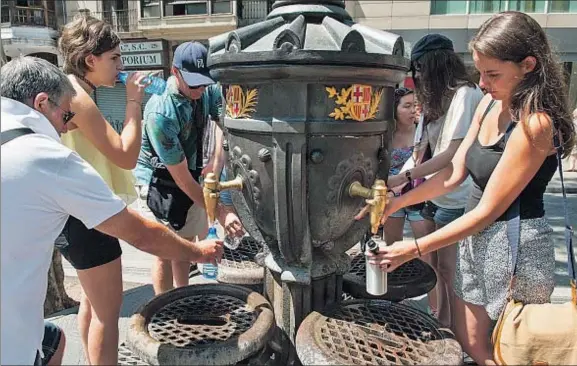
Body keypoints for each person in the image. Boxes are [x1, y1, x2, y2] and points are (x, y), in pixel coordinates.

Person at [362, 12, 575, 365]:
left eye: (493, 74)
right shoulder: (489, 104)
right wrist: (394, 205)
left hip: (515, 248)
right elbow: (453, 174)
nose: (482, 82)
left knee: (513, 349)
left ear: (528, 66)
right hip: (475, 240)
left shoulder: (535, 123)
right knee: (472, 343)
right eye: (479, 71)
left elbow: (486, 212)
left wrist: (413, 248)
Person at [0, 56, 223, 365]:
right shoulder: (46, 157)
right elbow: (140, 234)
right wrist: (199, 253)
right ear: (41, 103)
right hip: (11, 343)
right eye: (66, 116)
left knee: (54, 339)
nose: (66, 130)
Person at [56, 15, 154, 364]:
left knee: (91, 302)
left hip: (73, 211)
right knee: (107, 314)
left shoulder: (68, 90)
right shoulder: (77, 96)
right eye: (114, 58)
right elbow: (126, 156)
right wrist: (133, 102)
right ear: (89, 60)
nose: (121, 66)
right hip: (87, 214)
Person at [383, 34, 484, 328]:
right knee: (439, 267)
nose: (420, 78)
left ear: (437, 65)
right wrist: (395, 182)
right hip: (437, 196)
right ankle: (442, 322)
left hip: (458, 194)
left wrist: (405, 178)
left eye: (422, 70)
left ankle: (453, 331)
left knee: (450, 270)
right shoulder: (436, 101)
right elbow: (419, 152)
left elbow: (452, 155)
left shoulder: (465, 94)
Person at [133, 41, 244, 295]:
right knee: (164, 249)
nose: (200, 89)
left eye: (204, 81)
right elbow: (180, 179)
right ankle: (163, 305)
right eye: (194, 83)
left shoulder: (207, 89)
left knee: (184, 244)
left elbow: (221, 125)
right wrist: (221, 211)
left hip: (189, 171)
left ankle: (182, 297)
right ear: (175, 72)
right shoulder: (160, 113)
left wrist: (216, 162)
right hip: (158, 181)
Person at [382, 87, 434, 245]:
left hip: (417, 192)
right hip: (391, 193)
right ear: (394, 109)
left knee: (425, 247)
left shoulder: (424, 131)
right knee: (392, 245)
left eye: (415, 105)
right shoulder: (384, 134)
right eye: (407, 106)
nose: (413, 110)